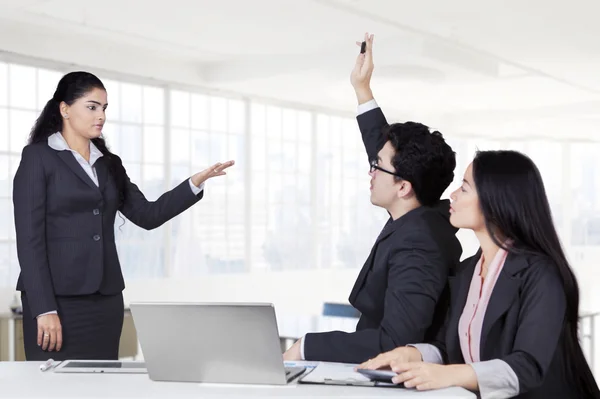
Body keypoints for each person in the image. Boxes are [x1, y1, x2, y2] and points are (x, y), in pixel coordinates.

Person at [13, 71, 234, 361]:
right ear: (65, 109)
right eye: (92, 107)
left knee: (102, 386)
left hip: (106, 302)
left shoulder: (109, 164)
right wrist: (45, 309)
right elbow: (29, 241)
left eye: (104, 108)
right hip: (57, 302)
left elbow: (148, 214)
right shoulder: (38, 158)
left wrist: (193, 184)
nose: (101, 115)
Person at [359, 150, 600, 398]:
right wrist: (410, 354)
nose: (452, 195)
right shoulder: (467, 272)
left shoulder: (541, 275)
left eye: (464, 188)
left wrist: (449, 374)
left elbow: (527, 366)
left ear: (495, 200)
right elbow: (446, 347)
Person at [283, 33, 462, 363]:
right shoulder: (421, 213)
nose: (370, 172)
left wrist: (306, 346)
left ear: (404, 187)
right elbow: (389, 158)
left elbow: (395, 343)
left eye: (375, 168)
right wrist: (362, 90)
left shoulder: (419, 244)